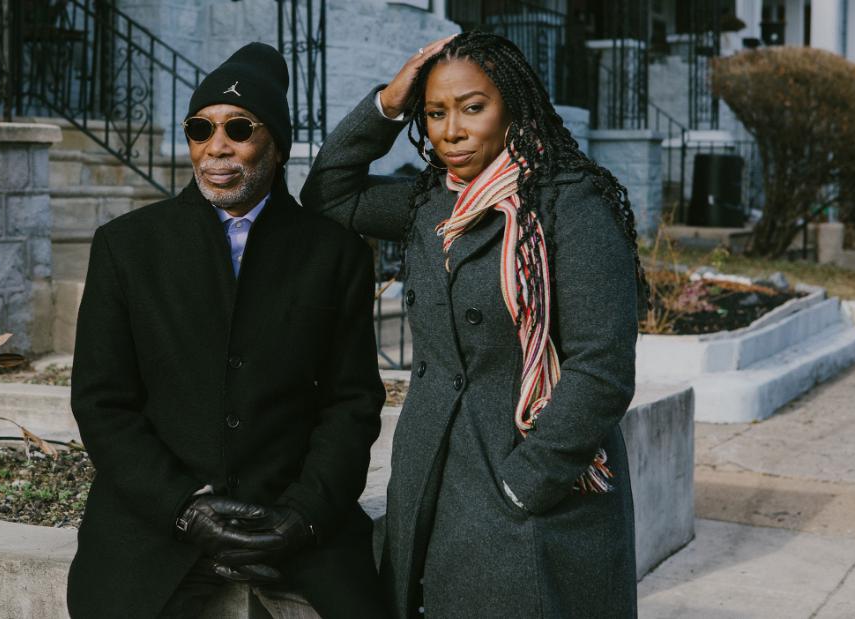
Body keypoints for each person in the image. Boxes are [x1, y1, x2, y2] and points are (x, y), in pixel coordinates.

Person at [300, 31, 646, 618]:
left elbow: (602, 367)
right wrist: (387, 103)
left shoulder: (571, 201)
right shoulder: (431, 205)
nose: (451, 130)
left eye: (472, 107)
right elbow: (329, 194)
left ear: (511, 105)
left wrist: (525, 484)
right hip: (434, 475)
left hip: (531, 488)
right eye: (435, 113)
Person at [67, 42, 387, 619]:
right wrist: (185, 509)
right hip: (155, 524)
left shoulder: (334, 254)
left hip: (294, 518)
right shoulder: (126, 246)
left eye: (240, 128)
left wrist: (304, 513)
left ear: (278, 145)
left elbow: (353, 401)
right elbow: (102, 402)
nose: (217, 147)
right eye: (200, 129)